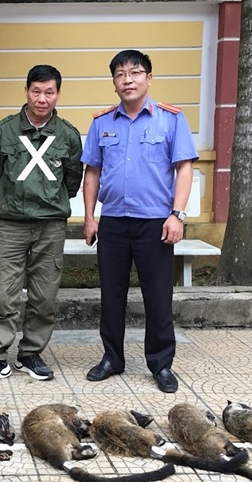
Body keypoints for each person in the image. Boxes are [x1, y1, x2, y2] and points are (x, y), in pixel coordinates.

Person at [80, 50, 198, 393]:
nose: (127, 79)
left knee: (158, 297)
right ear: (114, 82)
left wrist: (177, 214)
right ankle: (112, 358)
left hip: (155, 223)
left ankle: (161, 364)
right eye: (120, 74)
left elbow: (184, 168)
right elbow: (92, 172)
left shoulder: (170, 119)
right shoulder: (102, 123)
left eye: (134, 72)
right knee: (111, 295)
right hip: (113, 222)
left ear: (149, 78)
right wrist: (89, 217)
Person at [0, 64, 84, 387]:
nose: (42, 99)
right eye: (36, 91)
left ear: (58, 94)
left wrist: (49, 202)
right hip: (12, 225)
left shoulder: (68, 135)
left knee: (44, 295)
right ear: (26, 91)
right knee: (2, 293)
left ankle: (31, 353)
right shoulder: (2, 131)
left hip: (51, 226)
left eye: (49, 92)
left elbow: (72, 181)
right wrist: (10, 204)